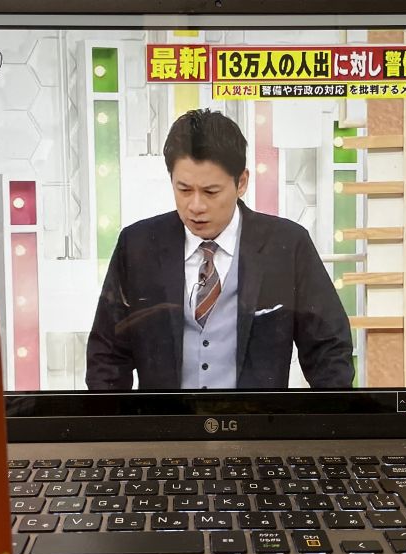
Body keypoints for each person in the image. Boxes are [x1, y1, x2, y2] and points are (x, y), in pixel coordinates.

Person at [86, 108, 354, 391]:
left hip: (258, 418)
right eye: (184, 190)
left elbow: (329, 349)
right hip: (164, 418)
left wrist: (323, 416)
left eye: (211, 192)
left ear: (241, 182)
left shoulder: (287, 245)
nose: (196, 206)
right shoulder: (138, 245)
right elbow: (107, 355)